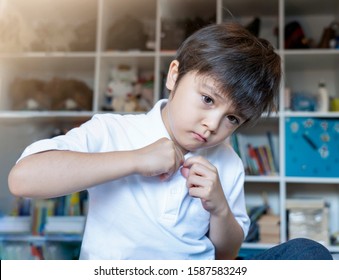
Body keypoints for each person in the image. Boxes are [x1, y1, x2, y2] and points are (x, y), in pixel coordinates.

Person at [8, 22, 332, 260]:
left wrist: (219, 208)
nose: (212, 125)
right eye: (207, 99)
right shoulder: (113, 130)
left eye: (232, 118)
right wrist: (135, 159)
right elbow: (23, 179)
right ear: (174, 75)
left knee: (309, 254)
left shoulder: (228, 162)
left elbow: (226, 256)